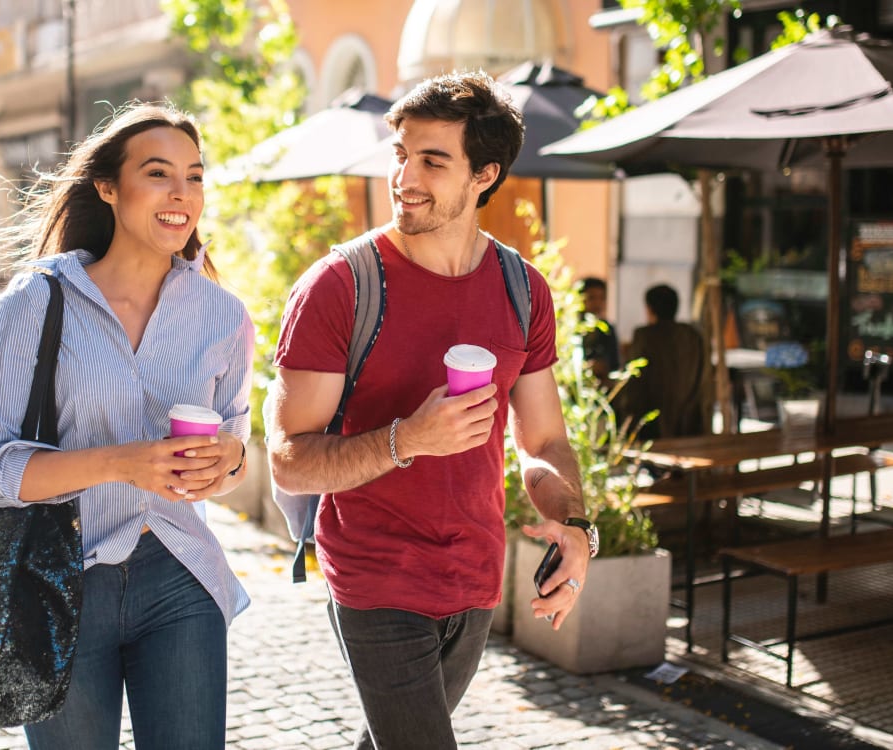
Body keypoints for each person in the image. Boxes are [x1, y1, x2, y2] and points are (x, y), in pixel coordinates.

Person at [266, 71, 596, 750]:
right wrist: (406, 439)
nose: (404, 177)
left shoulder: (522, 289)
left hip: (474, 576)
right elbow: (290, 461)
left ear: (485, 174)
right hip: (375, 577)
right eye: (400, 155)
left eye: (432, 161)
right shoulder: (340, 287)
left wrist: (574, 525)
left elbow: (542, 440)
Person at [0, 104, 254, 749]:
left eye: (195, 176)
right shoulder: (35, 304)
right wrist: (120, 462)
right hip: (60, 580)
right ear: (109, 189)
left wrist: (227, 457)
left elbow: (236, 454)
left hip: (180, 578)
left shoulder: (223, 316)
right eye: (158, 173)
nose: (182, 194)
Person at [617, 284, 713, 439]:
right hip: (690, 422)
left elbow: (635, 384)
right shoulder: (693, 335)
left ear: (649, 309)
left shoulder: (645, 336)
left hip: (653, 426)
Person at [577, 276, 620, 381]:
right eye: (592, 298)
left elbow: (615, 364)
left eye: (601, 298)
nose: (597, 303)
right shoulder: (572, 328)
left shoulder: (608, 329)